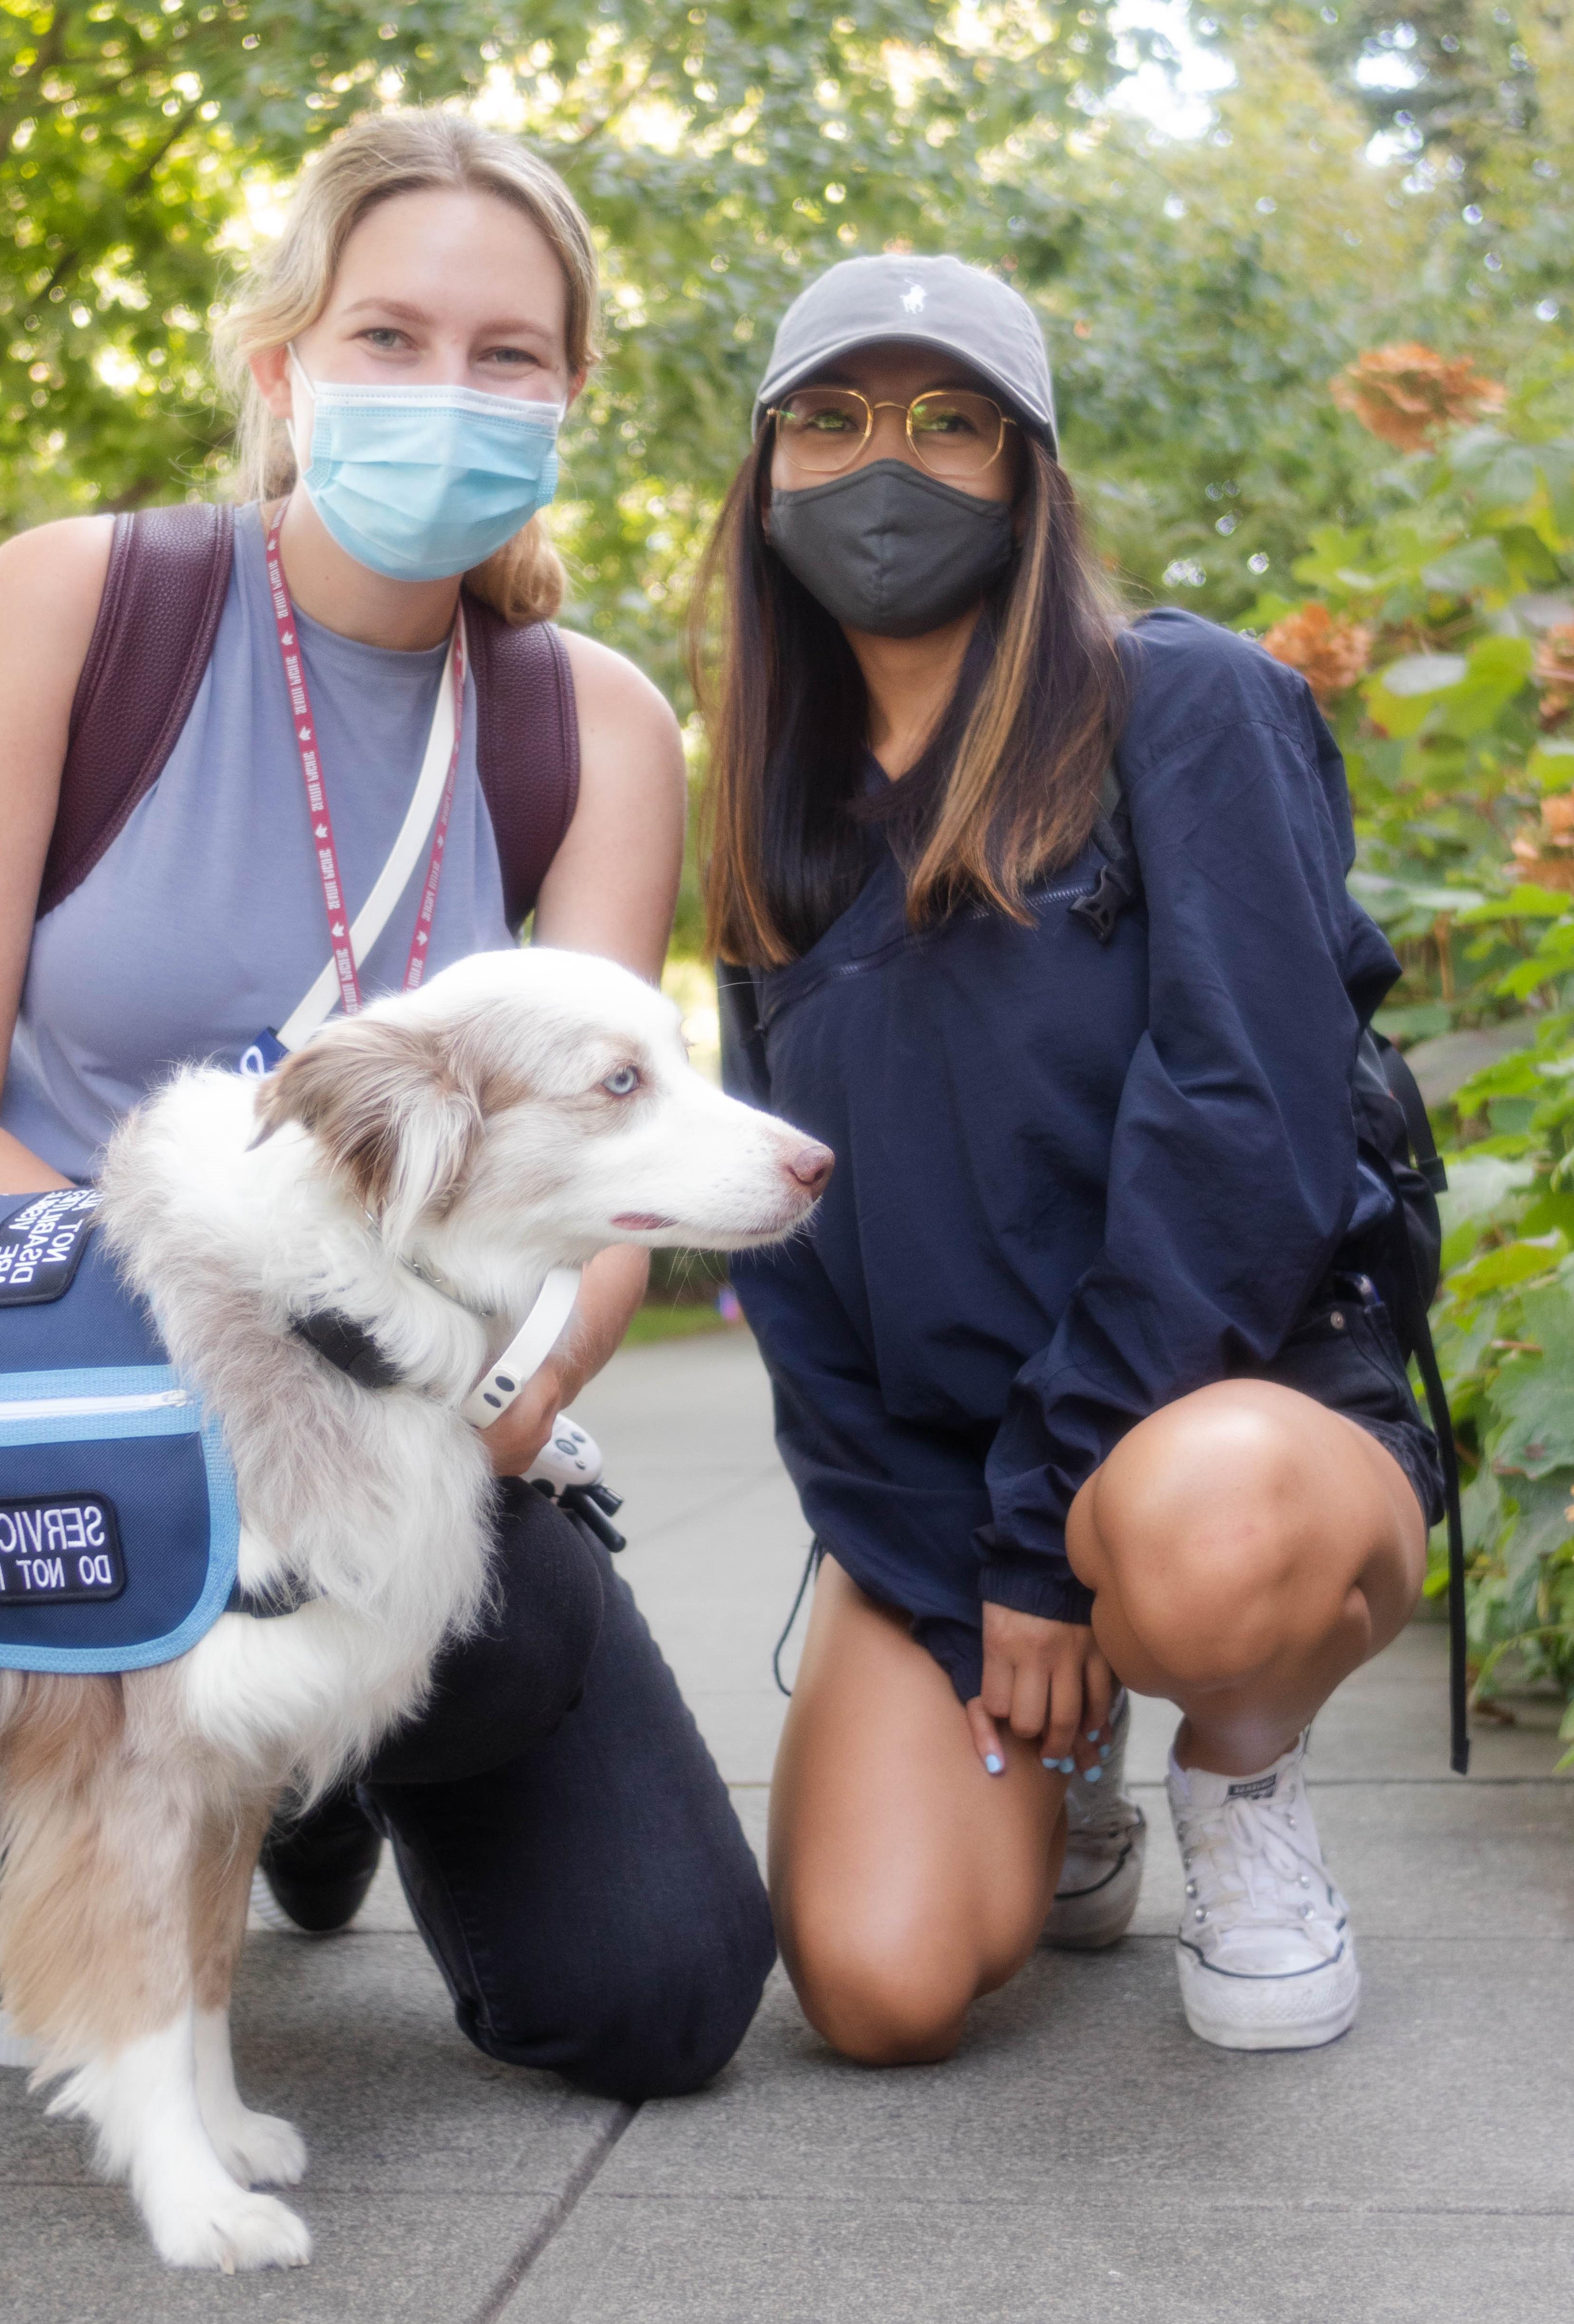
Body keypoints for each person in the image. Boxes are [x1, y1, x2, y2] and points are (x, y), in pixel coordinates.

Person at [0, 110, 773, 2100]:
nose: (449, 390)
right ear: (284, 364)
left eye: (507, 355)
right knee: (177, 1622)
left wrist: (483, 1398)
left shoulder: (589, 723)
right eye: (390, 336)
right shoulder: (77, 609)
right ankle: (34, 1744)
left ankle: (310, 1770)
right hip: (84, 1395)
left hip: (415, 1404)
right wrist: (241, 1403)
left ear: (569, 394)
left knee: (659, 1998)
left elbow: (605, 1194)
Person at [700, 254, 1444, 2060]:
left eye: (950, 419)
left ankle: (1240, 1771)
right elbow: (781, 1242)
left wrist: (1050, 1533)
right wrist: (949, 1559)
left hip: (1231, 1429)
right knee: (878, 1987)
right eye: (836, 418)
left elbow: (1244, 1128)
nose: (890, 461)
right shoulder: (775, 819)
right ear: (770, 471)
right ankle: (1059, 1763)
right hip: (969, 1506)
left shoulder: (1175, 704)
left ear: (1030, 471)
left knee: (1202, 1534)